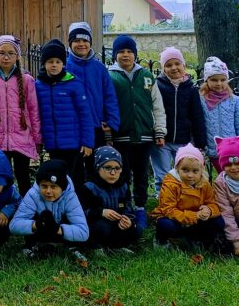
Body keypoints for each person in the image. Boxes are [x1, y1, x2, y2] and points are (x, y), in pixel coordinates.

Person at [107, 35, 165, 231]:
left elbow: (157, 106)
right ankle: (125, 208)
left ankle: (140, 206)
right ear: (115, 55)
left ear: (135, 54)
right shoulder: (110, 77)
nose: (125, 55)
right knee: (122, 174)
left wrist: (159, 130)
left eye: (129, 52)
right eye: (121, 52)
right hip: (120, 136)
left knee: (141, 173)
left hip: (144, 135)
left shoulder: (147, 77)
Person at [0, 35, 41, 197]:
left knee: (23, 179)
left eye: (10, 53)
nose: (6, 57)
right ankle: (6, 212)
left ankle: (27, 211)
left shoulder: (27, 80)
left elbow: (34, 111)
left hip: (22, 139)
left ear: (17, 56)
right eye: (2, 53)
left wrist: (37, 139)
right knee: (2, 179)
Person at [65, 21, 121, 180]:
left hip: (97, 126)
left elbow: (109, 96)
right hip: (74, 127)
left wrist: (111, 121)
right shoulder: (65, 68)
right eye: (76, 41)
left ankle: (96, 202)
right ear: (70, 43)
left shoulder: (99, 68)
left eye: (85, 40)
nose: (81, 44)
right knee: (75, 170)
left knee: (96, 168)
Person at [35, 39, 96, 184]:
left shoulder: (73, 83)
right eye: (50, 61)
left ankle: (80, 205)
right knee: (58, 179)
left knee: (76, 178)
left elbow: (85, 115)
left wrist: (88, 142)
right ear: (44, 63)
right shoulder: (38, 85)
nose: (54, 65)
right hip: (53, 143)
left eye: (58, 61)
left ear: (63, 63)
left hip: (74, 144)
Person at [9, 159, 89, 261]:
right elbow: (14, 225)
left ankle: (70, 247)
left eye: (53, 186)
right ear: (39, 185)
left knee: (69, 219)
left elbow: (84, 232)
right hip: (39, 230)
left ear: (62, 187)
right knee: (40, 216)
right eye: (44, 186)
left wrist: (57, 229)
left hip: (60, 233)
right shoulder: (33, 194)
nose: (48, 191)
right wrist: (36, 225)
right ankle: (31, 246)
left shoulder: (70, 197)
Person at [152, 47, 207, 195]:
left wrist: (200, 143)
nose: (174, 68)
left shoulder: (191, 89)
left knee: (184, 173)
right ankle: (162, 202)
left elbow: (197, 116)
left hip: (184, 141)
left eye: (177, 63)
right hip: (162, 140)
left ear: (184, 66)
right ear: (163, 69)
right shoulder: (158, 86)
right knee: (162, 175)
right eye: (168, 65)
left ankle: (184, 200)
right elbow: (154, 111)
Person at [149, 144, 224, 250]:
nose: (190, 175)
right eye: (185, 170)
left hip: (195, 221)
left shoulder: (205, 184)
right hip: (176, 220)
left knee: (219, 221)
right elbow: (168, 210)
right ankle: (162, 240)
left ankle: (195, 238)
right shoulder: (170, 183)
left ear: (201, 170)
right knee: (165, 224)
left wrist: (209, 210)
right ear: (177, 169)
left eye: (195, 171)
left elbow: (213, 203)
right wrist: (194, 216)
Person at [79, 146, 141, 253]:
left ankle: (116, 247)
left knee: (136, 229)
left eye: (117, 168)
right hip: (97, 224)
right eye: (108, 168)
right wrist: (101, 212)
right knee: (102, 228)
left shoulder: (123, 186)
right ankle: (95, 247)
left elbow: (128, 207)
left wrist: (127, 219)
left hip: (116, 224)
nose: (113, 173)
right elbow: (82, 213)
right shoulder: (89, 187)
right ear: (98, 168)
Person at [199, 56, 239, 171]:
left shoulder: (235, 101)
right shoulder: (201, 100)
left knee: (231, 179)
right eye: (214, 80)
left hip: (232, 151)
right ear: (206, 80)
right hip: (211, 149)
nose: (219, 83)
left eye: (223, 80)